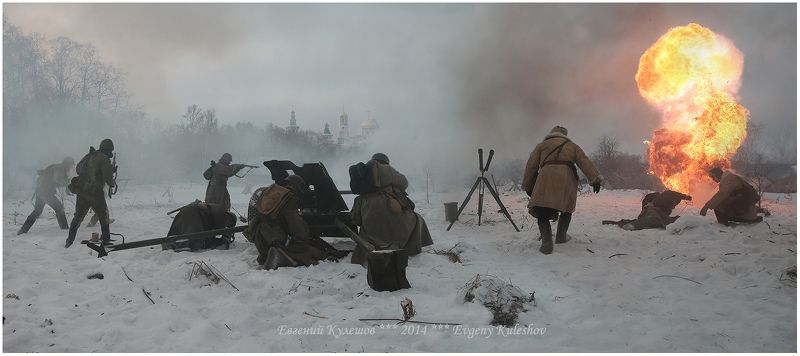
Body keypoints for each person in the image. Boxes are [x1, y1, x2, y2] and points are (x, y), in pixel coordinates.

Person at [522, 126, 602, 255]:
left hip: (546, 177)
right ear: (565, 135)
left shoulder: (542, 145)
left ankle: (547, 242)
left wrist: (527, 185)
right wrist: (595, 179)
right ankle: (561, 236)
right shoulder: (572, 146)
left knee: (541, 210)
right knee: (566, 208)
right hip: (566, 178)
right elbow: (584, 161)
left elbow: (531, 166)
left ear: (552, 133)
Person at [349, 153, 433, 266]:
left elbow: (357, 220)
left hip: (369, 222)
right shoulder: (385, 169)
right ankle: (411, 249)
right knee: (416, 219)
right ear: (385, 162)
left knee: (373, 230)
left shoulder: (363, 174)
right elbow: (404, 182)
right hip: (388, 207)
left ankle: (378, 243)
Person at [243, 175, 327, 269]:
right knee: (309, 250)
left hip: (259, 240)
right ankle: (279, 256)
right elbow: (298, 231)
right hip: (276, 241)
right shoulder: (289, 198)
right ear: (297, 188)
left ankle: (267, 255)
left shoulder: (268, 192)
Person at [65, 139, 116, 248]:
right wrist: (112, 181)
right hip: (95, 191)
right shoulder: (104, 158)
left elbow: (78, 169)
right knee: (104, 215)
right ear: (108, 149)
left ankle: (69, 241)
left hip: (82, 190)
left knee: (78, 217)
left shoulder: (90, 155)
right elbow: (108, 177)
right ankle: (106, 241)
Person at [17, 157, 74, 235]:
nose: (70, 168)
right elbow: (58, 179)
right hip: (46, 193)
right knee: (59, 208)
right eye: (70, 165)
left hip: (40, 192)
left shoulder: (56, 167)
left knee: (37, 211)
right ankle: (64, 230)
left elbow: (54, 180)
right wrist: (67, 183)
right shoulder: (59, 168)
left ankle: (23, 230)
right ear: (67, 164)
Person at [164, 200, 237, 251]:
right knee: (196, 241)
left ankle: (172, 243)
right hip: (195, 214)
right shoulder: (221, 212)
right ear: (228, 217)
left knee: (180, 232)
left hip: (188, 211)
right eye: (229, 222)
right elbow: (215, 230)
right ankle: (182, 245)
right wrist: (224, 237)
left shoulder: (218, 209)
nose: (227, 224)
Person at [602, 190, 692, 230]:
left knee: (661, 220)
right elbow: (670, 192)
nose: (674, 207)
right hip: (651, 211)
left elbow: (667, 218)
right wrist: (685, 196)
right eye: (674, 204)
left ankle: (635, 223)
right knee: (653, 219)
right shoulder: (661, 197)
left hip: (657, 212)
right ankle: (632, 226)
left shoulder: (665, 207)